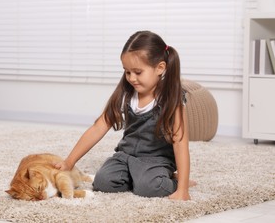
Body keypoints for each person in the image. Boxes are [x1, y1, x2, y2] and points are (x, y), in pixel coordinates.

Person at [55, 30, 194, 201]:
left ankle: (172, 180)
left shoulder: (172, 99)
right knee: (103, 182)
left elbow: (180, 143)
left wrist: (183, 189)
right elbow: (99, 127)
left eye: (137, 72)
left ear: (160, 68)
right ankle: (139, 178)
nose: (131, 78)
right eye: (127, 72)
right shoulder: (126, 94)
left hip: (155, 160)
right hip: (125, 156)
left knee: (148, 188)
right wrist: (69, 161)